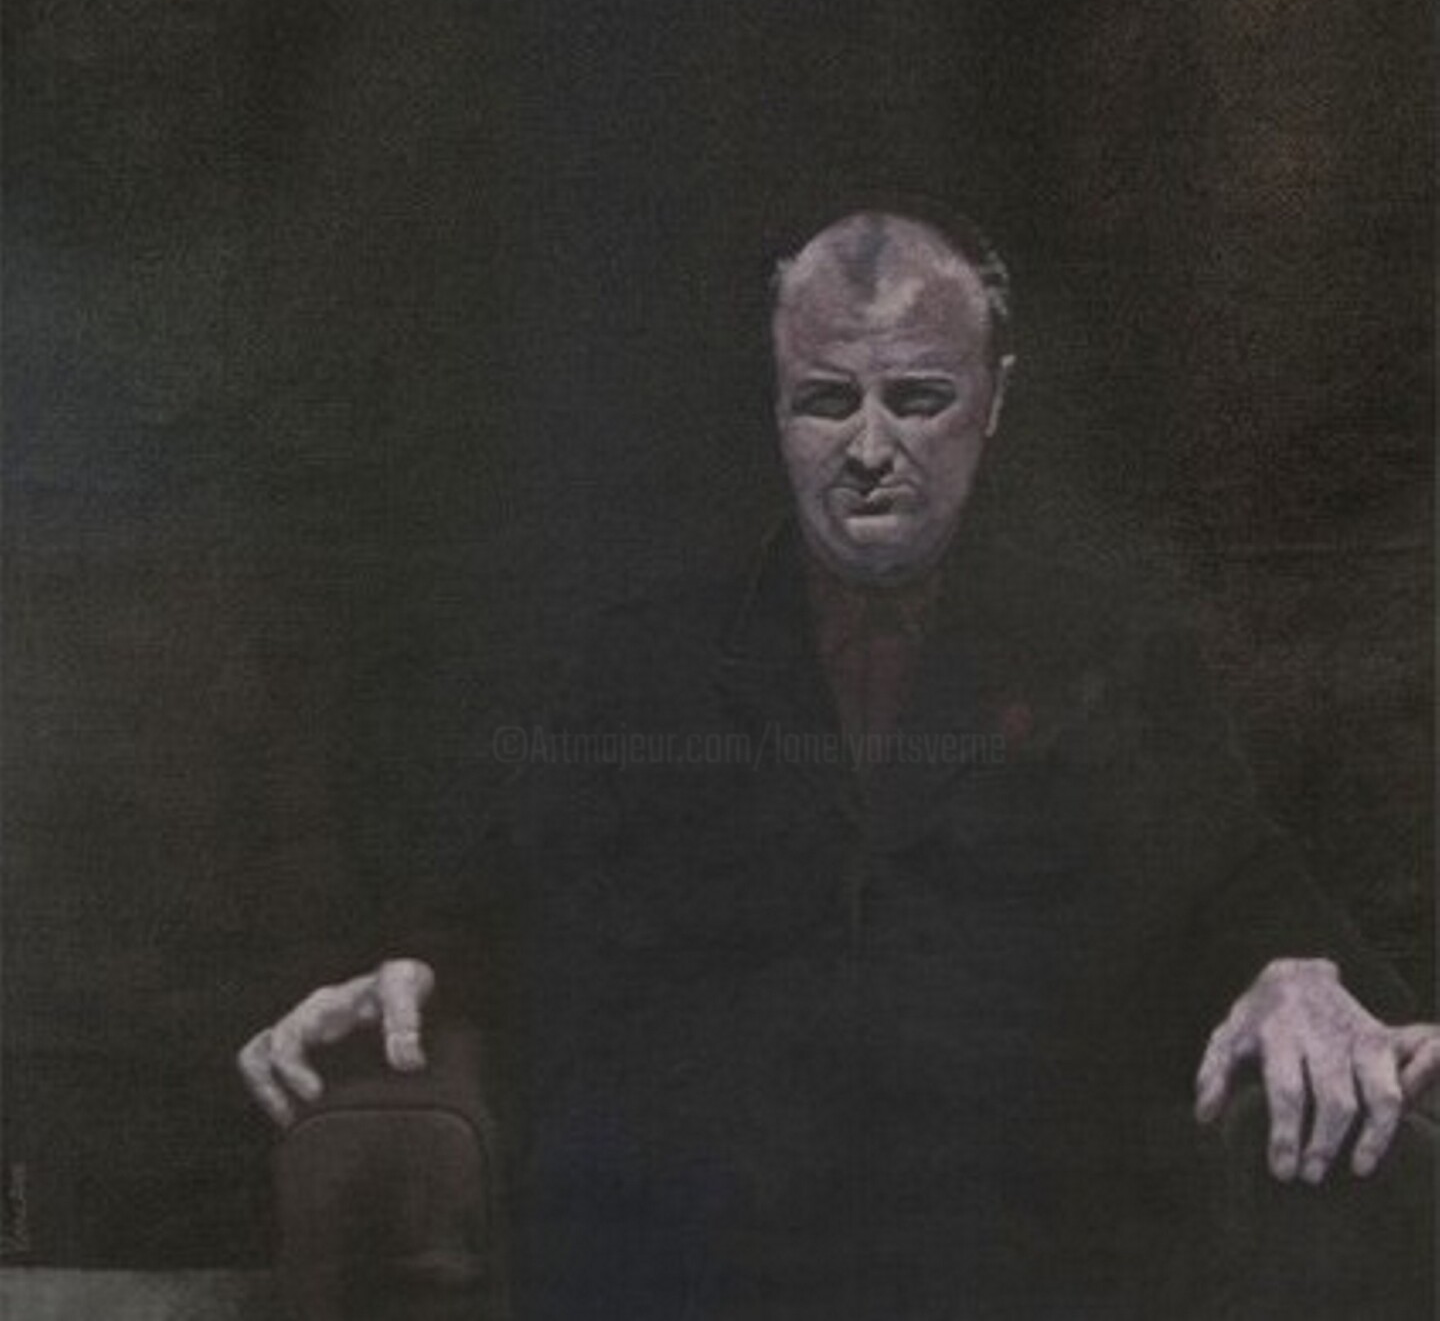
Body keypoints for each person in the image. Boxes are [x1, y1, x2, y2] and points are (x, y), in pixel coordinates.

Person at [239, 208, 1438, 1318]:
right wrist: (418, 962)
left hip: (1034, 1264)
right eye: (825, 400)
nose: (869, 448)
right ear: (776, 406)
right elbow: (512, 877)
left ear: (995, 400)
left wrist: (1301, 969)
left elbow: (1234, 878)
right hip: (701, 1264)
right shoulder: (647, 662)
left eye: (918, 397)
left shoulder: (1114, 652)